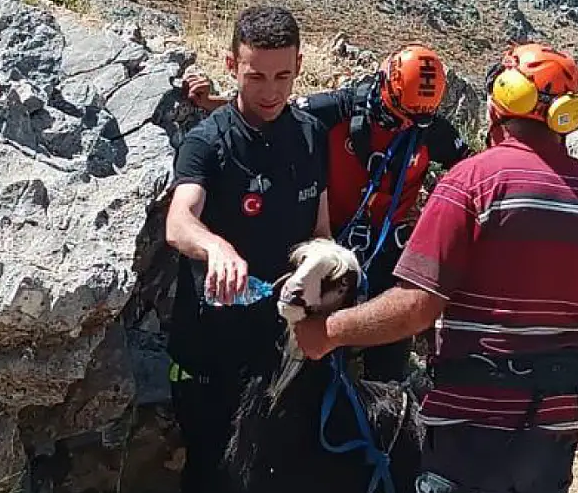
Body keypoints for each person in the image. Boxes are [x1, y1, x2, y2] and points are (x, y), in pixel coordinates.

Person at [293, 42, 578, 493]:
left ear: (501, 100)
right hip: (555, 431)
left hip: (473, 427)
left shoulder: (472, 182)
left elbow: (417, 306)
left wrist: (328, 332)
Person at [183, 44, 473, 384]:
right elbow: (277, 113)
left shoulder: (428, 131)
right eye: (397, 115)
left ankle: (381, 406)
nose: (403, 126)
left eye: (414, 120)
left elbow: (472, 174)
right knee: (314, 344)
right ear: (383, 88)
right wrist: (210, 101)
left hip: (387, 246)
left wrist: (433, 218)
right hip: (332, 242)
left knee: (389, 348)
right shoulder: (341, 108)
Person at [163, 5, 330, 493]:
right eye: (256, 75)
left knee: (272, 481)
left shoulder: (310, 134)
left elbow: (320, 230)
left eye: (283, 76)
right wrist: (217, 249)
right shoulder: (208, 142)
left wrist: (319, 270)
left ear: (299, 68)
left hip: (280, 347)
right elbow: (180, 220)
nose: (269, 90)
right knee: (212, 478)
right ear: (232, 64)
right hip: (210, 351)